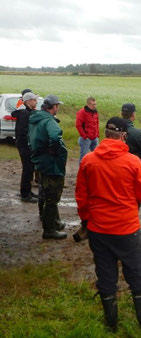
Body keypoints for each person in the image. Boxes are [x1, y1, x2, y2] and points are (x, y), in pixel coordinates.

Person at [75, 117, 141, 332]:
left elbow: (81, 197)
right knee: (136, 273)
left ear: (105, 134)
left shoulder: (88, 160)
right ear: (123, 136)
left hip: (98, 229)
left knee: (105, 275)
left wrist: (86, 221)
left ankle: (111, 323)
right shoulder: (132, 162)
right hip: (126, 229)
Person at [28, 95, 68, 240]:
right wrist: (55, 152)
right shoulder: (48, 121)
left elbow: (29, 140)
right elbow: (55, 138)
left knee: (44, 191)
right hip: (52, 164)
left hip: (41, 162)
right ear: (54, 106)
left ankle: (55, 222)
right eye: (57, 105)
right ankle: (49, 230)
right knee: (52, 197)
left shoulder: (35, 120)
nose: (58, 108)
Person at [11, 92, 39, 203]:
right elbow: (22, 132)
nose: (36, 102)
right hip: (25, 146)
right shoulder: (24, 114)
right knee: (27, 169)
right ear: (28, 101)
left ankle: (28, 191)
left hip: (27, 146)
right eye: (34, 100)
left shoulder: (29, 112)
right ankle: (25, 194)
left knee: (30, 168)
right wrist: (28, 146)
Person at [75, 97, 99, 163]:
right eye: (93, 105)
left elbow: (96, 123)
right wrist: (84, 136)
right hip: (86, 139)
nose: (95, 106)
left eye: (95, 104)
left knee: (97, 156)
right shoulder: (82, 112)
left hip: (95, 137)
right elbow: (78, 125)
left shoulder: (95, 112)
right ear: (88, 104)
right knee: (83, 157)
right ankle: (81, 172)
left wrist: (97, 134)